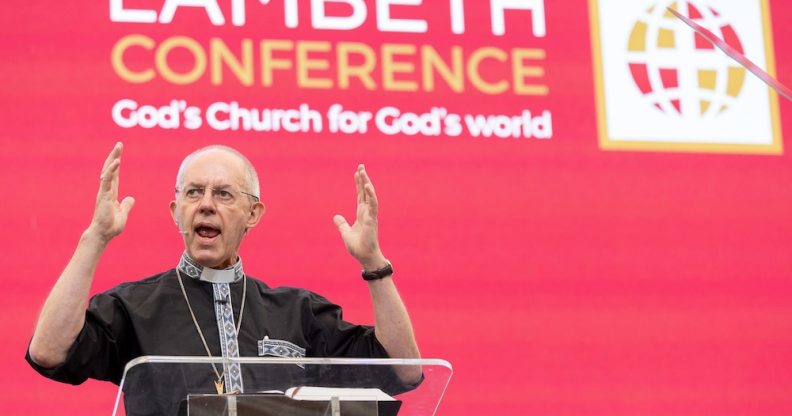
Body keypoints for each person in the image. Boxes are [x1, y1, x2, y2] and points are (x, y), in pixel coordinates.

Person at [26, 143, 421, 405]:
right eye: (193, 193)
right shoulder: (133, 308)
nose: (206, 205)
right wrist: (95, 238)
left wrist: (373, 263)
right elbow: (48, 351)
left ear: (253, 214)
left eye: (224, 194)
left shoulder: (297, 313)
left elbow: (403, 370)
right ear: (175, 211)